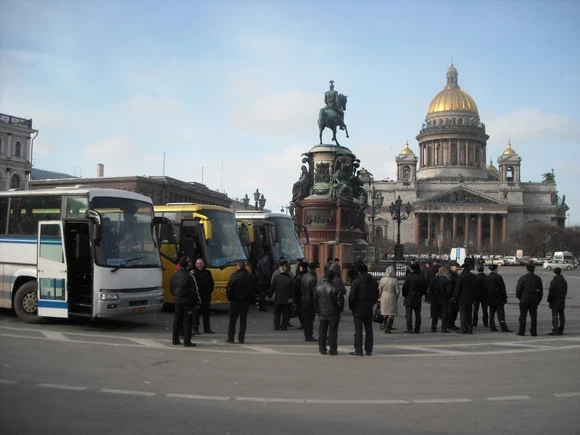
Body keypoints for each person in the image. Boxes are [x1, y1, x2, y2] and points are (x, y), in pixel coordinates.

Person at [349, 264, 379, 356]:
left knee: (358, 330)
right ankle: (369, 349)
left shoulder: (356, 282)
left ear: (358, 271)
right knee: (369, 329)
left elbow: (352, 297)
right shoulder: (373, 282)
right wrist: (371, 303)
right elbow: (376, 295)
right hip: (368, 307)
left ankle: (358, 349)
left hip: (358, 308)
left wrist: (353, 307)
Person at [170, 257, 201, 347]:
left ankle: (175, 339)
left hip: (178, 301)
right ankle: (187, 341)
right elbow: (194, 291)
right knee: (187, 321)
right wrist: (197, 302)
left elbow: (171, 289)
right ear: (187, 265)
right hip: (187, 302)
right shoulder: (189, 276)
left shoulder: (174, 275)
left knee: (177, 320)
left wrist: (177, 296)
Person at [225, 260, 255, 344]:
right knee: (243, 320)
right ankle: (241, 338)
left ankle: (231, 337)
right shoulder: (250, 276)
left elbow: (229, 288)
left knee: (233, 320)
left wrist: (230, 298)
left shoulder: (234, 276)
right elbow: (254, 288)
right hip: (245, 301)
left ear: (238, 266)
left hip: (235, 301)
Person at [315, 269, 341, 356]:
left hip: (322, 311)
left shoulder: (319, 287)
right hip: (333, 312)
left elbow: (315, 300)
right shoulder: (334, 288)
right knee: (333, 331)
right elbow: (339, 301)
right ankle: (333, 349)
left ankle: (322, 348)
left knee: (322, 331)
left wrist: (318, 309)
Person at [515, 264, 543, 336]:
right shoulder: (538, 278)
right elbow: (541, 291)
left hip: (524, 298)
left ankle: (522, 331)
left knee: (523, 316)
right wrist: (538, 300)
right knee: (533, 316)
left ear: (527, 270)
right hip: (534, 299)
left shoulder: (523, 278)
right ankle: (533, 332)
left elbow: (518, 289)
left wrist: (520, 297)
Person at [452, 263, 478, 334]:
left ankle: (464, 329)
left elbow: (457, 289)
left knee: (463, 314)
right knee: (469, 314)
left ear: (463, 268)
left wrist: (454, 298)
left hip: (462, 298)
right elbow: (476, 288)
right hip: (471, 298)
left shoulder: (461, 277)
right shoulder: (473, 276)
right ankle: (470, 328)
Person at [485, 264, 512, 332]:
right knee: (501, 314)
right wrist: (504, 298)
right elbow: (502, 288)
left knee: (492, 314)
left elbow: (485, 289)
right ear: (495, 269)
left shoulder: (487, 277)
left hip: (490, 299)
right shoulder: (498, 277)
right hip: (498, 298)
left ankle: (492, 326)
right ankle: (503, 327)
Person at [191, 258, 215, 335]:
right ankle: (195, 329)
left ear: (203, 264)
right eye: (198, 263)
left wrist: (209, 291)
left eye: (201, 263)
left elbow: (212, 283)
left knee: (206, 314)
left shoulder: (208, 272)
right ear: (195, 264)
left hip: (206, 296)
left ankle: (207, 329)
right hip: (197, 297)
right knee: (195, 315)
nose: (199, 265)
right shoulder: (192, 272)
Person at [402, 262, 427, 333]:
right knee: (418, 314)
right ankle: (417, 329)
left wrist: (405, 294)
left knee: (409, 314)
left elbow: (405, 288)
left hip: (409, 297)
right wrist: (421, 294)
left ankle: (409, 329)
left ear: (412, 269)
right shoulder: (421, 278)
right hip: (418, 297)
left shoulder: (409, 277)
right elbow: (424, 288)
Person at [269, 259, 294, 331]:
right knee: (285, 313)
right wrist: (292, 299)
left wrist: (270, 295)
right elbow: (292, 290)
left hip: (277, 298)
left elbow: (272, 287)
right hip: (286, 299)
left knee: (277, 313)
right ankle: (284, 326)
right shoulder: (290, 278)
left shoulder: (276, 277)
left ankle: (276, 326)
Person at [429, 266, 452, 333]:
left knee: (434, 314)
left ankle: (433, 327)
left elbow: (430, 289)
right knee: (444, 314)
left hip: (435, 298)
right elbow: (449, 291)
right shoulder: (447, 280)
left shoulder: (434, 279)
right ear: (444, 272)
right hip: (443, 299)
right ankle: (444, 328)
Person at [301, 262, 319, 342]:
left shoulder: (304, 276)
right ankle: (309, 336)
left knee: (306, 319)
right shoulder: (313, 277)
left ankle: (307, 335)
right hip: (310, 301)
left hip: (304, 299)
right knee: (310, 319)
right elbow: (314, 291)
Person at [379, 266, 400, 334]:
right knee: (391, 313)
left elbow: (380, 289)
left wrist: (380, 296)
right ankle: (388, 327)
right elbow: (397, 291)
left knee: (385, 313)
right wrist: (396, 296)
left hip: (384, 296)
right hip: (392, 296)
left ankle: (385, 325)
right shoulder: (394, 280)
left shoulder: (382, 279)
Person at [547, 267, 567, 335]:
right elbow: (565, 291)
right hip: (562, 300)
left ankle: (555, 330)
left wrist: (549, 299)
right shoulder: (564, 281)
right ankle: (561, 330)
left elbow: (551, 292)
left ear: (554, 273)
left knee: (555, 316)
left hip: (555, 300)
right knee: (562, 316)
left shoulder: (554, 281)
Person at [294, 261, 309, 330]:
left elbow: (296, 288)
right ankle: (307, 323)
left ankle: (303, 324)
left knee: (301, 312)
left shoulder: (299, 277)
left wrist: (295, 299)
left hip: (300, 297)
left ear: (301, 268)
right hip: (308, 297)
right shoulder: (309, 276)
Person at [446, 262, 460, 330]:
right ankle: (449, 324)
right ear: (451, 267)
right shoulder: (450, 275)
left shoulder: (455, 274)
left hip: (454, 296)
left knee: (454, 311)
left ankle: (452, 324)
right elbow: (449, 287)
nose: (457, 268)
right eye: (456, 267)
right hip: (451, 296)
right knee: (451, 311)